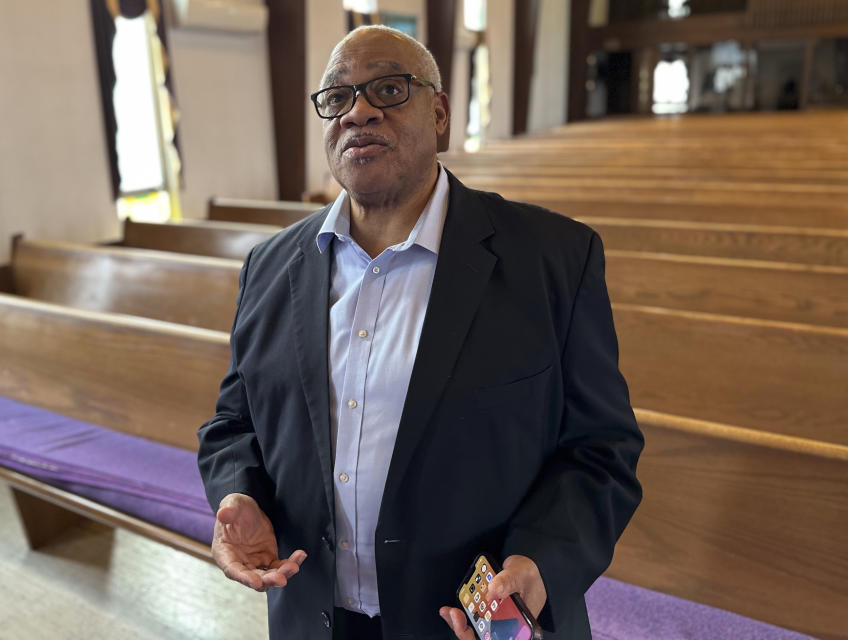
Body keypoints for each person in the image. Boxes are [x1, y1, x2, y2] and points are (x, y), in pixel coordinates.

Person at [197, 24, 643, 640]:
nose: (358, 111)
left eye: (388, 88)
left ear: (439, 114)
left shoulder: (552, 258)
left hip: (473, 622)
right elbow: (233, 424)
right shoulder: (270, 267)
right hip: (314, 617)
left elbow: (601, 450)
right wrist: (236, 496)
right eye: (337, 97)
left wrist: (539, 563)